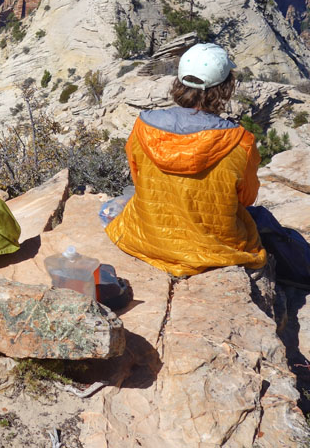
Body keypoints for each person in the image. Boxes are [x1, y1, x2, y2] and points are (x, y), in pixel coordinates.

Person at [105, 43, 267, 277]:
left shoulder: (143, 126)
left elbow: (138, 177)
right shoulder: (240, 142)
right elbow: (247, 198)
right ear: (225, 88)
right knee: (263, 222)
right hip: (215, 248)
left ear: (179, 83)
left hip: (147, 237)